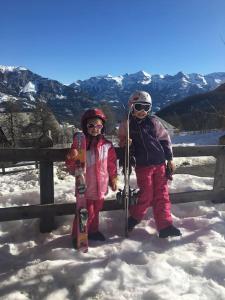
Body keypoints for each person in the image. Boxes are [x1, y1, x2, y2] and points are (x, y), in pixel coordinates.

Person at [118, 91, 181, 238]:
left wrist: (169, 159)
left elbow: (165, 139)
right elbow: (121, 138)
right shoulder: (127, 123)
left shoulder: (153, 122)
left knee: (162, 194)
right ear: (131, 106)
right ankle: (134, 217)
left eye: (146, 108)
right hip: (143, 165)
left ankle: (165, 226)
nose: (142, 111)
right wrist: (125, 143)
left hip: (159, 163)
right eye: (139, 106)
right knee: (146, 193)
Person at [66, 108, 117, 246]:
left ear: (103, 127)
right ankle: (78, 235)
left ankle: (93, 231)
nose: (95, 129)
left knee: (96, 211)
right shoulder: (80, 145)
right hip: (85, 188)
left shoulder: (107, 145)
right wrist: (72, 156)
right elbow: (72, 167)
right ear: (85, 126)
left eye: (99, 126)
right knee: (84, 212)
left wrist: (113, 178)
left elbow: (111, 164)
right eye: (91, 125)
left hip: (100, 187)